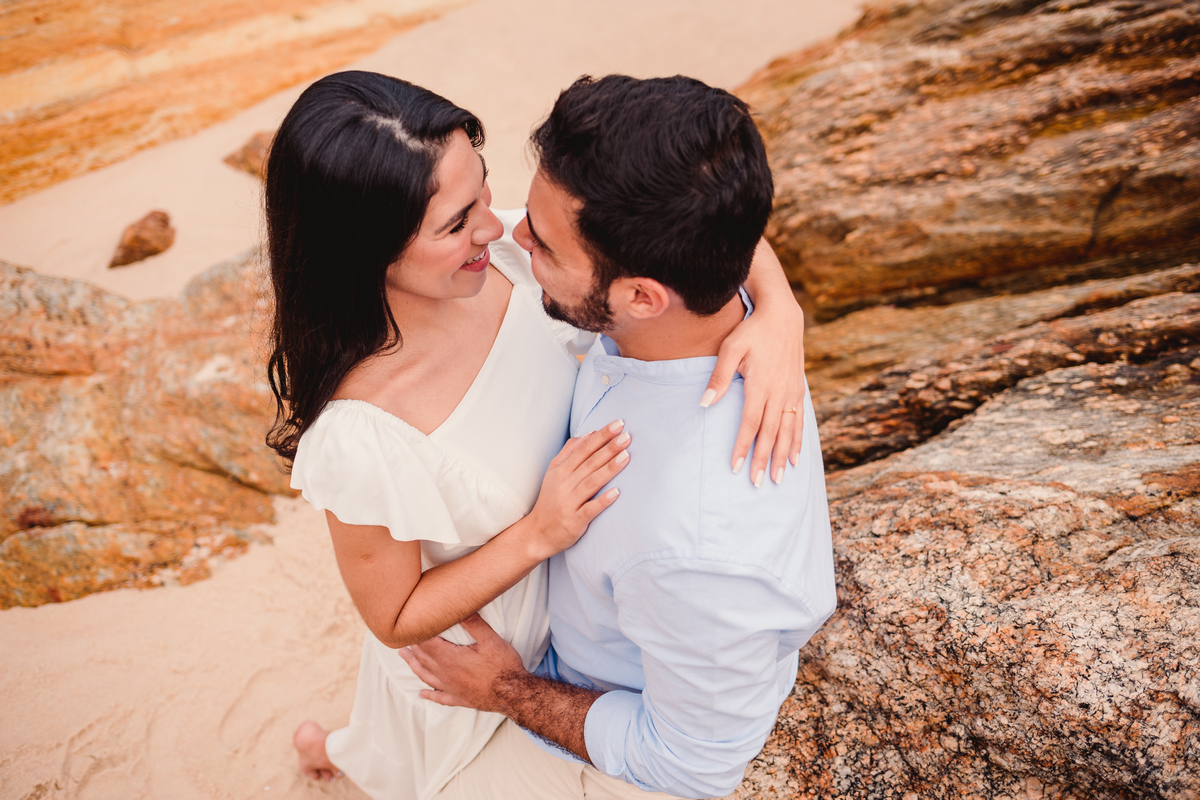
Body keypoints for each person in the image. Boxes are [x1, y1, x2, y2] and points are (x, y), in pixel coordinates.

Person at [262, 71, 809, 800]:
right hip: (486, 642)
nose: (498, 225)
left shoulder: (513, 257)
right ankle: (330, 752)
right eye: (456, 222)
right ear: (366, 250)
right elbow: (393, 615)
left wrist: (778, 309)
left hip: (584, 623)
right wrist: (537, 535)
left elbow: (690, 220)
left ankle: (331, 749)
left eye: (483, 187)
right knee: (405, 745)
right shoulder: (364, 430)